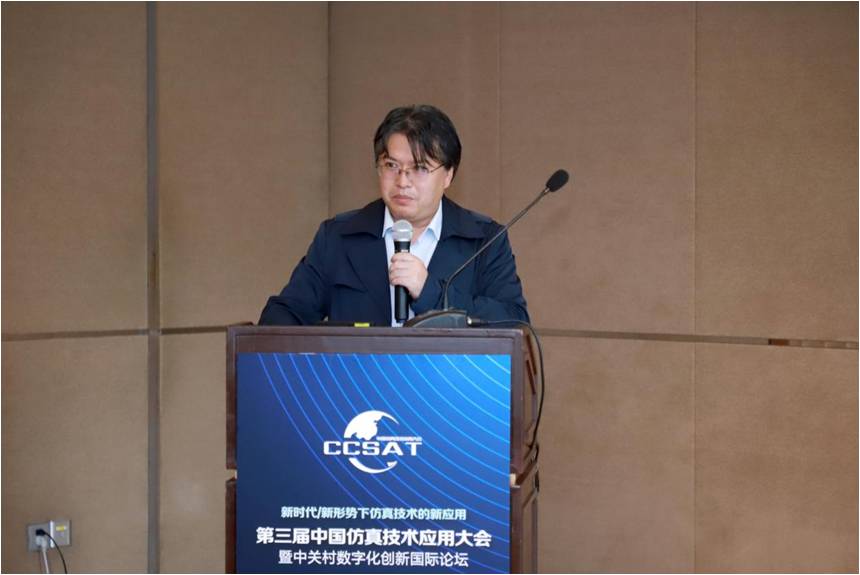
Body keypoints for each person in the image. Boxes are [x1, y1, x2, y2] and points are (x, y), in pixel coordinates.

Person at [259, 104, 529, 327]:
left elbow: (514, 323)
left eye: (419, 168)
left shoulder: (485, 240)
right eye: (391, 165)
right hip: (360, 376)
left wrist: (430, 291)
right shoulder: (339, 236)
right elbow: (286, 314)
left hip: (445, 378)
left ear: (448, 175)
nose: (402, 181)